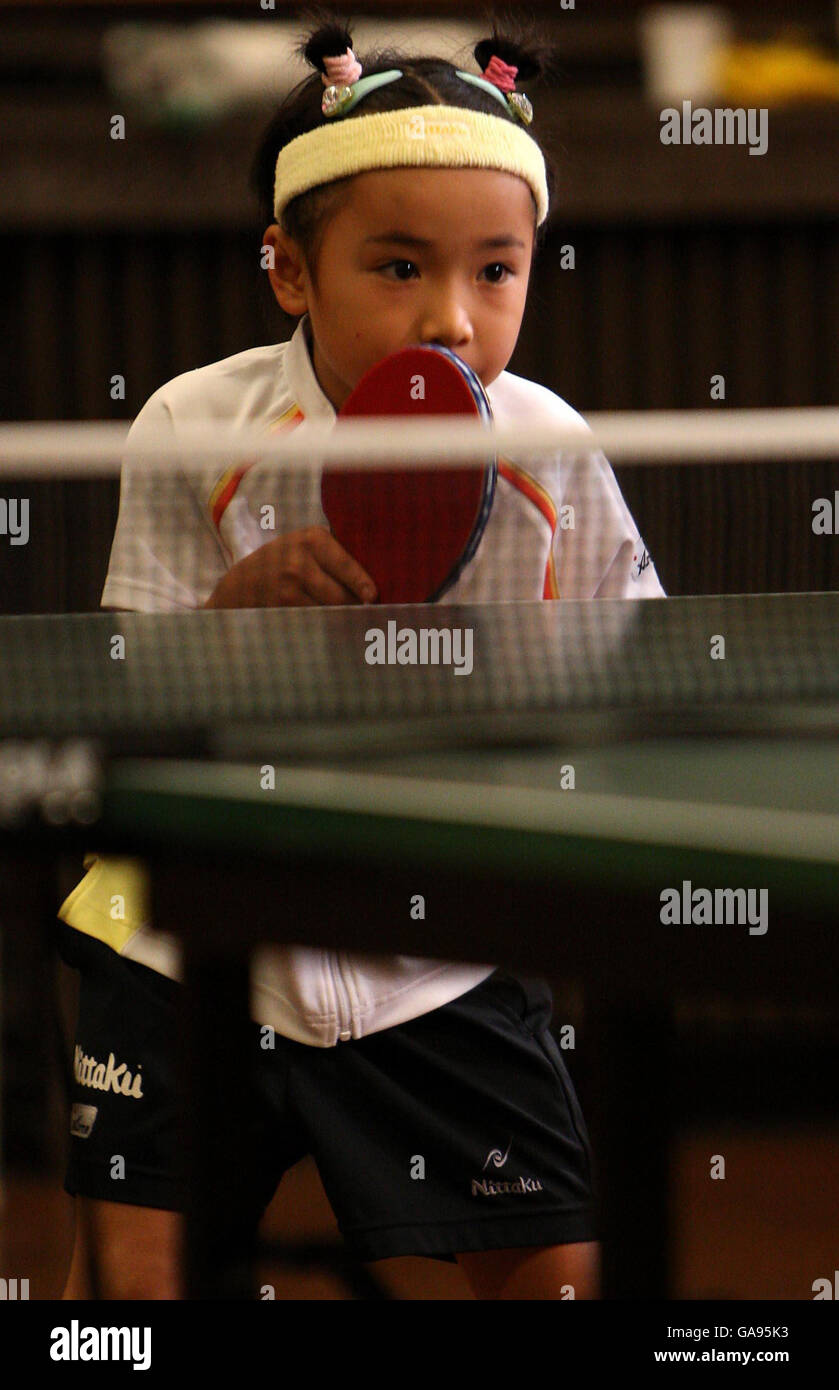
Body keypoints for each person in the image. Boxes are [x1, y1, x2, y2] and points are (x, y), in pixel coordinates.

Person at [57, 16, 665, 1301]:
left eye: (495, 272)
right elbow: (118, 697)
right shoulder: (191, 425)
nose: (450, 316)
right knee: (126, 1292)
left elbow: (636, 668)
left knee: (556, 1274)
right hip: (178, 934)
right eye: (397, 266)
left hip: (426, 935)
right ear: (288, 271)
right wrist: (229, 620)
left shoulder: (547, 446)